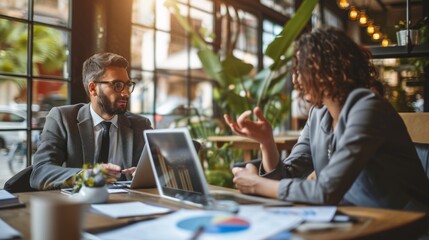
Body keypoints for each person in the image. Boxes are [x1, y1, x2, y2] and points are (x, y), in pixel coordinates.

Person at [224, 28, 429, 211]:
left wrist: (255, 183)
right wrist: (267, 142)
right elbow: (287, 176)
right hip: (358, 217)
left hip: (406, 223)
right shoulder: (318, 113)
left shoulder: (369, 108)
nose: (295, 79)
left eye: (301, 69)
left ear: (329, 71)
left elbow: (326, 192)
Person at [30, 52, 152, 190]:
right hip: (76, 205)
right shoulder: (62, 118)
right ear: (93, 88)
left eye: (128, 85)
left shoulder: (141, 125)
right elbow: (40, 173)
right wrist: (89, 175)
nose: (126, 93)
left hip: (127, 204)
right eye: (117, 85)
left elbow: (162, 171)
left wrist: (146, 174)